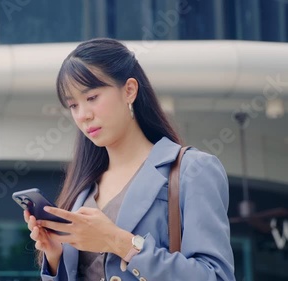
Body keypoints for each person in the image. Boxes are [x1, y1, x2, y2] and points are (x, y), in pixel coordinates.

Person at [23, 38, 235, 281]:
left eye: (92, 97)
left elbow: (216, 276)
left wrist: (118, 241)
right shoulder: (81, 189)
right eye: (73, 105)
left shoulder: (191, 169)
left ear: (129, 90)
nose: (83, 115)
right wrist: (55, 258)